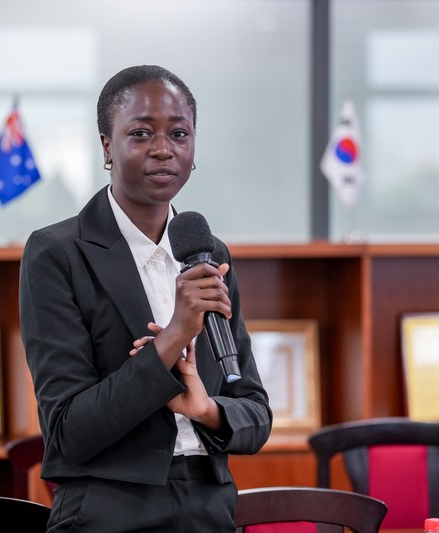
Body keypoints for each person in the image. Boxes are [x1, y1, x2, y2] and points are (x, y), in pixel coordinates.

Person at [19, 64, 272, 532]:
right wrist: (173, 338)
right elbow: (68, 433)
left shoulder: (209, 254)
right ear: (107, 146)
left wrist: (206, 409)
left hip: (210, 506)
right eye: (140, 133)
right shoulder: (57, 252)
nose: (163, 149)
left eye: (179, 133)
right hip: (107, 508)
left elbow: (255, 414)